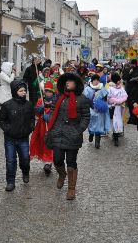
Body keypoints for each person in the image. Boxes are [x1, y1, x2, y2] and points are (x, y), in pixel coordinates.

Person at [45, 71, 91, 200]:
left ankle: (71, 188)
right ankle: (62, 174)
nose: (67, 83)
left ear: (76, 84)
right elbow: (53, 112)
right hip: (58, 133)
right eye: (66, 81)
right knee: (57, 160)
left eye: (70, 81)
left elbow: (86, 117)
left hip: (73, 135)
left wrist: (78, 130)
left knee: (71, 162)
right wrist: (49, 121)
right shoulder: (59, 97)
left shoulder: (82, 99)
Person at [0, 79, 36, 191]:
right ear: (15, 91)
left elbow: (32, 118)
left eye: (25, 90)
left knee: (25, 158)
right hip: (10, 138)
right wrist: (7, 129)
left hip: (23, 138)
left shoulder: (28, 105)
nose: (24, 92)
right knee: (10, 160)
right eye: (21, 91)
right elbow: (1, 119)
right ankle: (10, 181)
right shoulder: (7, 105)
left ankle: (25, 172)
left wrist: (30, 127)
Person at [30, 81, 55, 176]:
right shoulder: (41, 100)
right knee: (43, 142)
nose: (48, 93)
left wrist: (49, 115)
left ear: (53, 92)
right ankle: (46, 162)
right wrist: (41, 108)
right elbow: (36, 111)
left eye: (50, 91)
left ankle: (49, 163)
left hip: (52, 126)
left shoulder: (56, 100)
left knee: (51, 143)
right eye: (46, 91)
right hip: (41, 126)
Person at [85, 74, 110, 149]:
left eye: (97, 80)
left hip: (100, 110)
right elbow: (86, 99)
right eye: (95, 80)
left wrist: (102, 104)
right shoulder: (87, 89)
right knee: (91, 124)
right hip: (91, 109)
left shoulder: (102, 88)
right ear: (92, 81)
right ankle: (91, 134)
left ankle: (97, 142)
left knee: (99, 125)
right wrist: (92, 105)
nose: (96, 82)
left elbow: (105, 98)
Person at [107, 72, 128, 147]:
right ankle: (116, 138)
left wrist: (120, 100)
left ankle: (116, 135)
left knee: (118, 122)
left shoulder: (121, 88)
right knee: (115, 122)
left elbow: (125, 95)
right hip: (113, 108)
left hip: (120, 108)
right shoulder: (110, 88)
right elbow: (109, 98)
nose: (120, 81)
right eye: (119, 80)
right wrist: (116, 101)